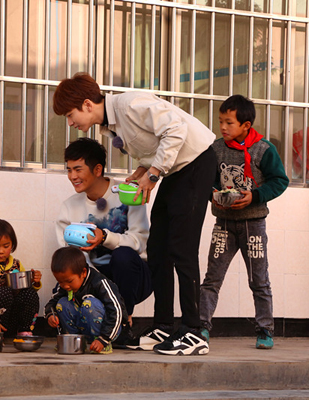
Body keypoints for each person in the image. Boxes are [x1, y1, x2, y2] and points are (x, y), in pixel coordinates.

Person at [53, 72, 216, 356]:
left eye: (70, 114)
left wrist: (152, 175)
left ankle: (193, 330)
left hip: (197, 162)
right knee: (158, 247)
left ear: (88, 104)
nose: (70, 123)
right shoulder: (112, 126)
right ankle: (164, 325)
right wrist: (142, 170)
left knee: (182, 248)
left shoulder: (130, 105)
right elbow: (156, 144)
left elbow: (175, 129)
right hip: (177, 170)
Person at [199, 95, 289, 350]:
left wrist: (255, 196)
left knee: (259, 280)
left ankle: (265, 330)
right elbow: (207, 181)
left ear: (246, 125)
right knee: (212, 278)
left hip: (254, 224)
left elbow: (280, 181)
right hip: (224, 225)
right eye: (221, 122)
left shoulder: (264, 149)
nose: (223, 127)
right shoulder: (215, 149)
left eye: (229, 122)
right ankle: (202, 327)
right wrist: (213, 196)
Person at [56, 137, 152, 346]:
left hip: (134, 276)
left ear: (97, 169)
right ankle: (90, 329)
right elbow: (69, 255)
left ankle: (124, 323)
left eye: (78, 169)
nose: (73, 176)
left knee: (123, 255)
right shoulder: (69, 207)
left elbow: (140, 242)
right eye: (69, 170)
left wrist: (105, 237)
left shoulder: (126, 195)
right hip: (94, 279)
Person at [45, 246, 128, 354]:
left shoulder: (100, 283)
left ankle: (102, 344)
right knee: (62, 303)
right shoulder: (65, 285)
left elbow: (117, 311)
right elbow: (52, 302)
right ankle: (74, 342)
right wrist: (50, 315)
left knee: (90, 303)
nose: (65, 286)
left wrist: (104, 338)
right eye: (60, 282)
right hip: (84, 328)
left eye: (69, 281)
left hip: (109, 331)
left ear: (83, 273)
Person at [0, 218, 42, 337]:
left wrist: (34, 282)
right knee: (4, 291)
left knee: (29, 293)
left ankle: (24, 330)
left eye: (6, 246)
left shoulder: (17, 264)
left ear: (12, 245)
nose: (1, 251)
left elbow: (27, 294)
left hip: (14, 318)